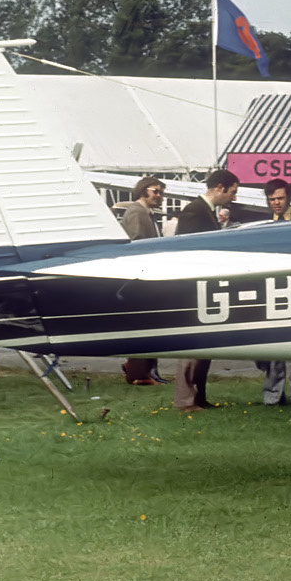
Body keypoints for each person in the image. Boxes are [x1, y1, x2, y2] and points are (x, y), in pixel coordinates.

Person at [173, 169, 239, 411]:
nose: (233, 197)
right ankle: (185, 401)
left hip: (203, 287)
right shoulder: (194, 211)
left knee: (203, 348)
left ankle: (198, 398)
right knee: (192, 348)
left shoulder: (204, 212)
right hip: (193, 288)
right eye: (232, 192)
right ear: (220, 188)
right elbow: (185, 251)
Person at [256, 178, 291, 407]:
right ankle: (272, 394)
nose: (276, 203)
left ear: (289, 197)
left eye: (280, 198)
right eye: (272, 199)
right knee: (272, 345)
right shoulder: (262, 223)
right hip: (271, 290)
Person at [119, 177, 167, 385]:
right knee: (145, 324)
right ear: (142, 191)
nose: (159, 196)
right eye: (155, 191)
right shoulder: (137, 212)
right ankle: (140, 374)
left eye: (161, 192)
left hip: (144, 276)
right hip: (140, 277)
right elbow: (138, 243)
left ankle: (141, 370)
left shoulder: (145, 213)